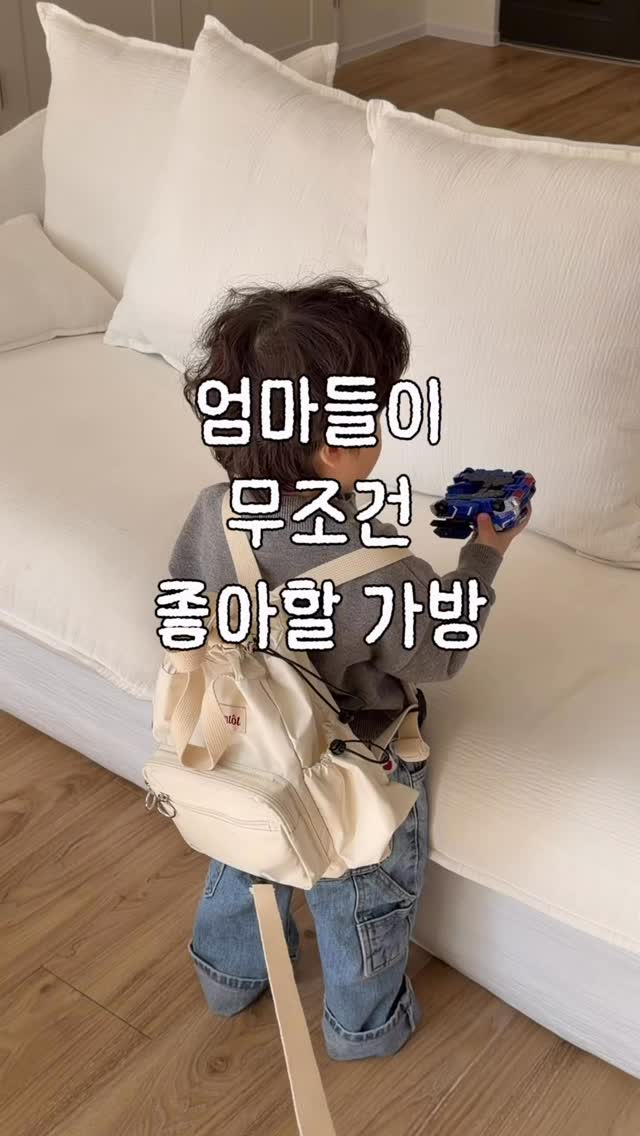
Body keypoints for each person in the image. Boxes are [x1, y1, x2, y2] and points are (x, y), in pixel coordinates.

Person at [168, 276, 531, 1061]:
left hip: (239, 744)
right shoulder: (379, 570)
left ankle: (227, 980)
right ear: (336, 444)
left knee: (244, 857)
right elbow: (440, 651)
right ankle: (362, 1028)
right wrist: (484, 553)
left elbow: (191, 604)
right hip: (354, 766)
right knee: (364, 896)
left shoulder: (213, 510)